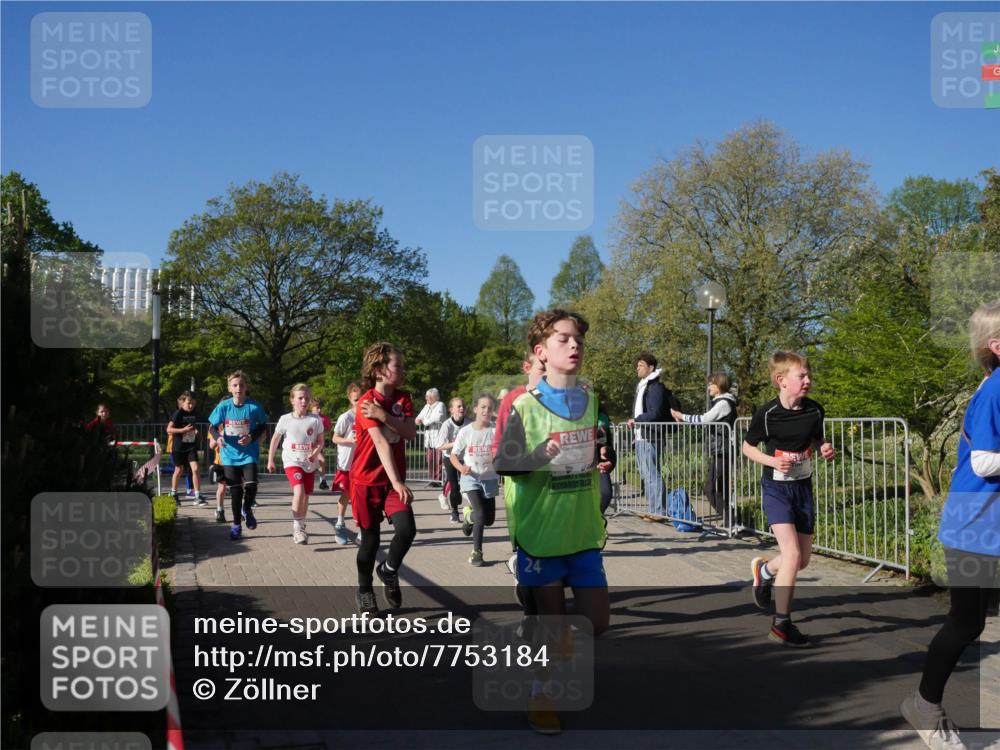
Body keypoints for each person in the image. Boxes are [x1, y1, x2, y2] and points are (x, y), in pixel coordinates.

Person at [494, 309, 609, 734]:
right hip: (541, 532)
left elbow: (595, 447)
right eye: (564, 339)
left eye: (578, 339)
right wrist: (540, 455)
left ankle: (547, 644)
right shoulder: (523, 405)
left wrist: (603, 458)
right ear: (541, 351)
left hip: (582, 530)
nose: (574, 345)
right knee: (552, 622)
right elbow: (503, 463)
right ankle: (540, 694)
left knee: (596, 623)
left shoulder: (590, 400)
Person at [900, 301, 1000, 750]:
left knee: (970, 622)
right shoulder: (995, 390)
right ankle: (924, 705)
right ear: (997, 346)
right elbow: (983, 462)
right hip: (973, 526)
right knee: (966, 624)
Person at [744, 351, 835, 647]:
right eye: (802, 376)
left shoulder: (815, 410)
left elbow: (816, 438)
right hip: (776, 489)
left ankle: (765, 571)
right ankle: (781, 625)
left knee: (801, 561)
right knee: (792, 555)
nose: (808, 380)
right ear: (781, 380)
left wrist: (823, 447)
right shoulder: (767, 413)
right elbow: (747, 447)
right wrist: (772, 461)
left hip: (802, 488)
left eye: (809, 375)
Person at [350, 342, 417, 615]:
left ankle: (388, 570)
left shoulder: (403, 399)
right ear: (379, 370)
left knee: (407, 530)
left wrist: (384, 415)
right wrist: (399, 481)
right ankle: (364, 591)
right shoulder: (366, 402)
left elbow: (410, 433)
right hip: (366, 481)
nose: (403, 370)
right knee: (370, 541)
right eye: (397, 366)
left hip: (391, 482)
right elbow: (380, 443)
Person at [208, 370, 269, 541]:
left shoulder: (254, 406)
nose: (238, 388)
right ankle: (236, 525)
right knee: (235, 491)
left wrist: (251, 437)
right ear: (229, 388)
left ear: (246, 387)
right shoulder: (224, 406)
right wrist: (218, 437)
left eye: (241, 385)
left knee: (251, 486)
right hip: (229, 455)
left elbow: (262, 426)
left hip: (249, 454)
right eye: (234, 385)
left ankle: (246, 509)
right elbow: (212, 427)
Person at [672, 373, 738, 525]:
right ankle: (730, 520)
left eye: (711, 384)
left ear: (719, 385)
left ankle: (731, 520)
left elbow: (704, 419)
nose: (708, 387)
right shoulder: (722, 402)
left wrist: (682, 416)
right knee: (718, 487)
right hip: (721, 450)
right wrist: (685, 420)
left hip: (723, 450)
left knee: (711, 488)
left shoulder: (723, 403)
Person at [267, 384, 326, 545]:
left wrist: (315, 452)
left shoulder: (315, 420)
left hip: (309, 463)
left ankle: (301, 525)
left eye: (306, 398)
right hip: (292, 461)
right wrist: (270, 459)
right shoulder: (285, 419)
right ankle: (297, 528)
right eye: (300, 398)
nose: (304, 401)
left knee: (305, 496)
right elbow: (275, 439)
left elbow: (320, 441)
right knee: (298, 490)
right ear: (292, 400)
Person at [626, 353, 681, 520]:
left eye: (641, 365)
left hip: (651, 436)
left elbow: (655, 413)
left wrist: (637, 420)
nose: (637, 368)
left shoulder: (655, 388)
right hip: (642, 436)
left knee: (652, 474)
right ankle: (653, 510)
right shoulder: (644, 386)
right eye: (637, 365)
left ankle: (659, 511)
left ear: (651, 368)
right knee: (647, 475)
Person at [451, 393, 499, 566]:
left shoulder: (495, 430)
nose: (486, 410)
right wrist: (461, 468)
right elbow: (454, 456)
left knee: (488, 520)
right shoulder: (466, 431)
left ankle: (468, 516)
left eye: (490, 408)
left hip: (489, 478)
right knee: (480, 513)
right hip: (471, 478)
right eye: (483, 407)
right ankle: (476, 552)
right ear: (475, 409)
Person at [331, 382, 362, 545]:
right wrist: (349, 440)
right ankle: (340, 523)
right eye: (356, 400)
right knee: (346, 494)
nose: (359, 402)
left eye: (361, 399)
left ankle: (362, 528)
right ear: (350, 399)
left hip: (361, 464)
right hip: (345, 463)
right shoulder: (346, 417)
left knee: (360, 497)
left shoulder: (367, 416)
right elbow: (334, 438)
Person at [166, 391, 206, 506]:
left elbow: (192, 427)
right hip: (179, 446)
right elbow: (169, 429)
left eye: (193, 403)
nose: (191, 405)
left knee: (195, 469)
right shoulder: (178, 413)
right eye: (189, 403)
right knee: (179, 470)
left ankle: (197, 495)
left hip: (190, 445)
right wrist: (183, 430)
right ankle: (174, 493)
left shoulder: (194, 413)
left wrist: (197, 433)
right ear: (183, 402)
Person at [437, 397, 470, 521]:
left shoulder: (469, 423)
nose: (462, 408)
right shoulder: (447, 425)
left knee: (467, 485)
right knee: (454, 486)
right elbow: (440, 445)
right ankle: (455, 512)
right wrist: (457, 443)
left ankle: (471, 508)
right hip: (450, 457)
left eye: (463, 406)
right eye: (459, 406)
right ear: (451, 410)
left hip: (465, 458)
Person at [415, 388, 447, 484]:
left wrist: (425, 421)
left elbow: (438, 417)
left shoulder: (440, 405)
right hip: (429, 437)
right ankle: (431, 479)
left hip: (438, 436)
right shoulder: (426, 406)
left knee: (438, 460)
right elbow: (418, 417)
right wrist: (418, 420)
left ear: (435, 397)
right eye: (426, 396)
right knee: (430, 460)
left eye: (429, 396)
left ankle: (438, 480)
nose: (427, 398)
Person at [310, 398, 334, 490]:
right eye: (317, 408)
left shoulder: (324, 418)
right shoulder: (308, 417)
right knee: (319, 461)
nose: (319, 410)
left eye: (320, 408)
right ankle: (317, 481)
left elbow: (329, 428)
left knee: (321, 462)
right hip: (308, 445)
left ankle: (322, 482)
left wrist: (323, 433)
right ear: (312, 408)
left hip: (319, 445)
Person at [208, 433, 227, 523]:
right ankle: (219, 510)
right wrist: (220, 435)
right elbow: (211, 445)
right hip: (221, 462)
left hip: (236, 461)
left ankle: (240, 510)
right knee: (222, 487)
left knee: (239, 486)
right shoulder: (215, 427)